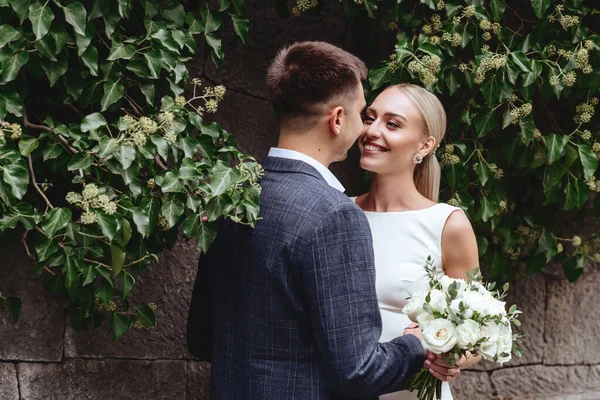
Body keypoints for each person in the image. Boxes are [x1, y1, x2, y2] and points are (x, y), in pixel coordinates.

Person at [187, 41, 459, 399]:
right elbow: (361, 373)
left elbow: (201, 339)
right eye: (363, 114)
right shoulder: (334, 215)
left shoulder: (237, 194)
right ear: (337, 119)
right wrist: (413, 343)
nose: (367, 129)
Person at [353, 84, 482, 400]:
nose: (372, 130)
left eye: (392, 124)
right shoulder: (338, 211)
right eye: (370, 118)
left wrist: (451, 357)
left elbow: (477, 327)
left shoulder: (448, 225)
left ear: (425, 145)